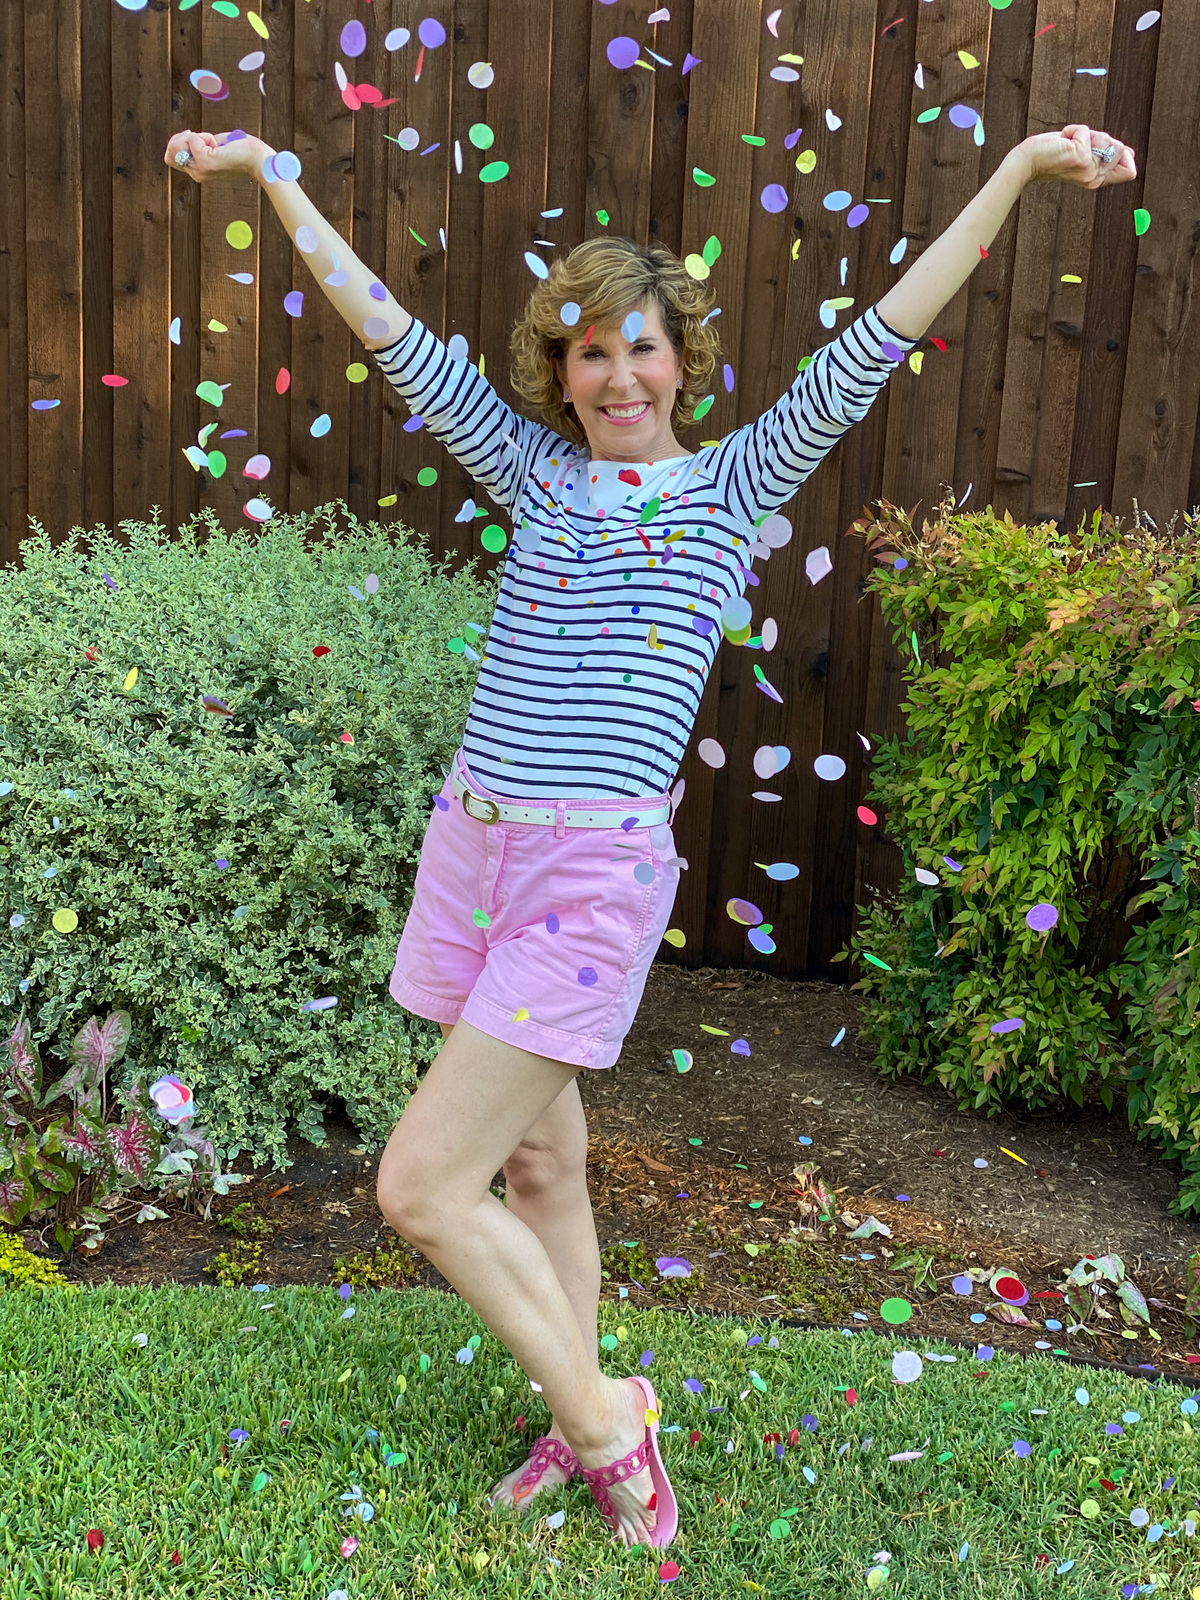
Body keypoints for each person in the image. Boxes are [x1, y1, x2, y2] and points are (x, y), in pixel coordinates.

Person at [165, 122, 1135, 1550]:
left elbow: (881, 334)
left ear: (683, 360)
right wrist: (275, 180)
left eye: (642, 349)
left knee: (421, 1185)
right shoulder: (530, 471)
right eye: (589, 353)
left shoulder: (733, 487)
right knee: (542, 1167)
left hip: (585, 873)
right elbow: (389, 331)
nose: (618, 376)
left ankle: (611, 1430)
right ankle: (576, 1416)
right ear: (558, 375)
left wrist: (1017, 175)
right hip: (472, 851)